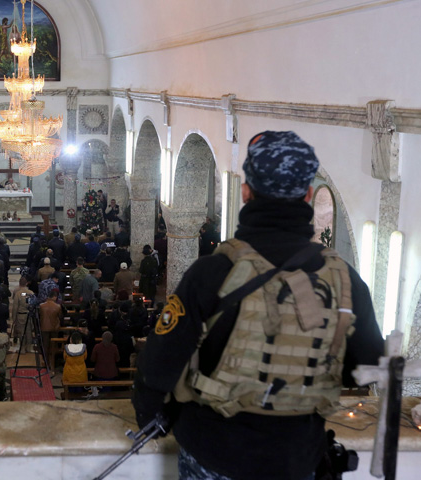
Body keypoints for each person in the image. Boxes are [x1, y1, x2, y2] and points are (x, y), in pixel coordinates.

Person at [132, 131, 384, 480]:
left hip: (214, 452)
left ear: (246, 191)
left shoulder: (212, 273)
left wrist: (150, 420)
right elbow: (368, 364)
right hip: (297, 456)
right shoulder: (344, 279)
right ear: (307, 195)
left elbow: (158, 366)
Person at [39, 290, 62, 370]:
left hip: (44, 327)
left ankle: (46, 362)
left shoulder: (41, 306)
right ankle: (53, 363)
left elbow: (39, 316)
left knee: (45, 346)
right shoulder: (57, 306)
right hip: (54, 328)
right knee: (53, 346)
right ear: (54, 297)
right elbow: (60, 317)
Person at [10, 276, 34, 352]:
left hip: (20, 315)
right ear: (26, 283)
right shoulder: (31, 293)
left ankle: (22, 348)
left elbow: (15, 307)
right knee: (29, 332)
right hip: (29, 315)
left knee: (21, 332)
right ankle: (29, 347)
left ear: (19, 283)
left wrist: (14, 318)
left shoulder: (18, 293)